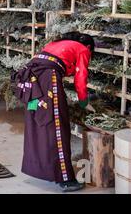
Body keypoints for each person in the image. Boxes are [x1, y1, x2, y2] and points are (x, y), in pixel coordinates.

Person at [12, 32, 96, 192]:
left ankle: (36, 166)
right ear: (89, 47)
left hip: (30, 81)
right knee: (58, 125)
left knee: (35, 120)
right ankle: (66, 180)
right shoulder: (82, 49)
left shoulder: (56, 44)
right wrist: (84, 103)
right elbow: (81, 78)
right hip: (47, 80)